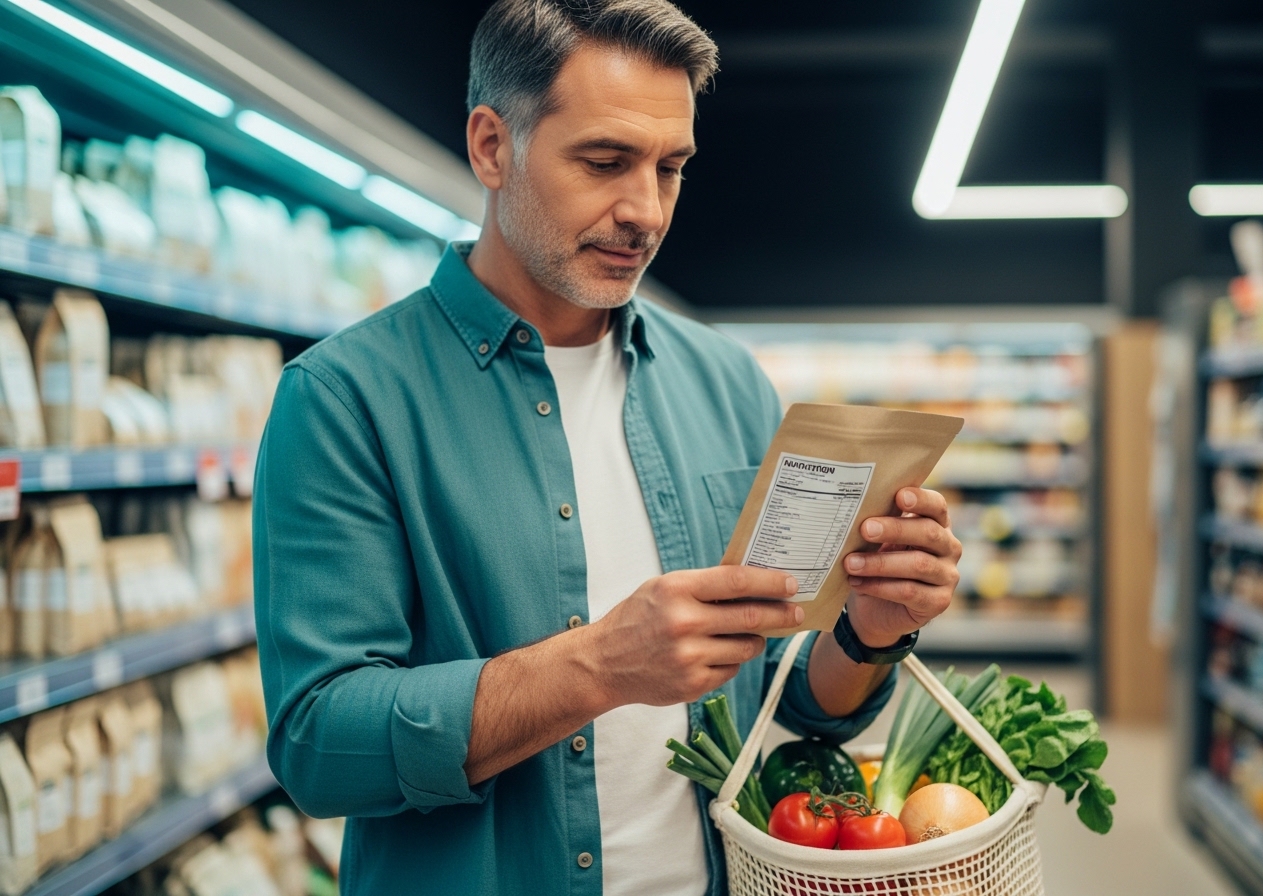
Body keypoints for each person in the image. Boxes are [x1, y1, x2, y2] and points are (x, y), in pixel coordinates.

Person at [253, 1, 962, 894]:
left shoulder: (726, 381)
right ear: (490, 147)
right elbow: (320, 743)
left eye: (671, 169)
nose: (645, 211)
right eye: (604, 162)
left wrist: (868, 632)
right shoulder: (344, 400)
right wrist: (597, 666)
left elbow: (791, 696)